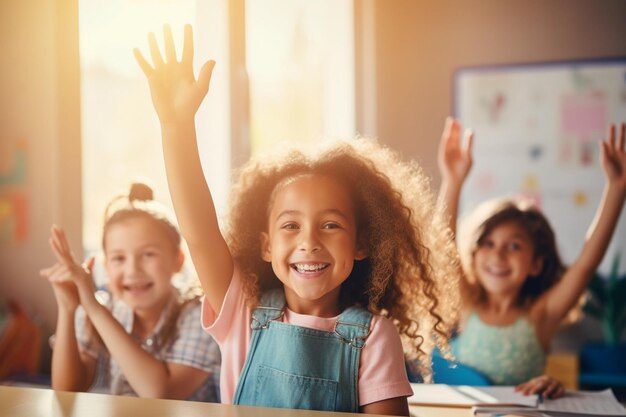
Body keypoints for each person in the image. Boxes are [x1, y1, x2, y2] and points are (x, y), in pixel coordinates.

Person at [134, 25, 460, 415]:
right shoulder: (242, 310)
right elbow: (199, 233)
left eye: (331, 225)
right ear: (266, 245)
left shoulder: (375, 337)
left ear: (362, 244)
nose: (309, 242)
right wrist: (176, 127)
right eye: (290, 225)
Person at [437, 117, 626, 398]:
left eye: (514, 246)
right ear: (474, 254)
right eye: (488, 243)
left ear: (536, 263)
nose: (498, 254)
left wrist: (617, 188)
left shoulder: (541, 315)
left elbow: (586, 265)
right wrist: (452, 180)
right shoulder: (468, 305)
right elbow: (443, 248)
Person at [40, 183, 221, 402]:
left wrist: (94, 310)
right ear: (105, 267)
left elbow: (161, 392)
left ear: (178, 260)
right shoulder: (100, 309)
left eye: (148, 255)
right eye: (119, 258)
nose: (132, 270)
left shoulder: (201, 315)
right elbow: (66, 390)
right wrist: (68, 309)